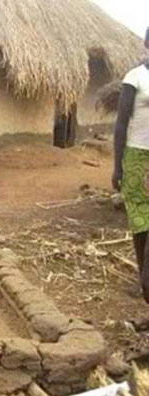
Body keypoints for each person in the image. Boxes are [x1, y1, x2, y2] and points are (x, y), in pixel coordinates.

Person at [112, 27, 149, 302]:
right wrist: (117, 166)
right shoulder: (134, 78)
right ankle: (144, 282)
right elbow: (121, 123)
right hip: (136, 157)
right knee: (140, 225)